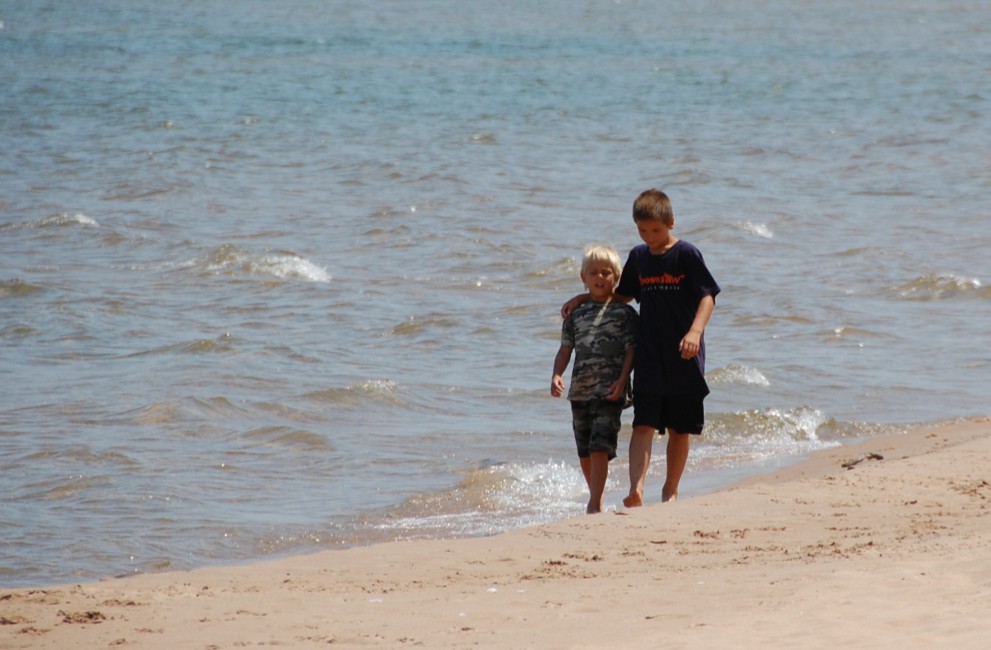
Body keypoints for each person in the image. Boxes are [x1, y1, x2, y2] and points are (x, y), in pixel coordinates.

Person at [562, 189, 720, 506]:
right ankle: (637, 489)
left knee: (679, 428)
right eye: (642, 231)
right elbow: (624, 295)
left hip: (683, 355)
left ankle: (671, 489)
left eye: (656, 231)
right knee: (643, 423)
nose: (649, 237)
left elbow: (707, 296)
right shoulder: (639, 257)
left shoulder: (687, 254)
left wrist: (695, 331)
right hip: (648, 354)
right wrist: (585, 298)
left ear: (671, 223)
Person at [551, 245, 638, 514]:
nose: (600, 278)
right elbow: (566, 348)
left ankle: (593, 503)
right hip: (580, 391)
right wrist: (556, 374)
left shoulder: (624, 314)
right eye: (594, 273)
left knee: (600, 444)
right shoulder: (575, 314)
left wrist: (623, 381)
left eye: (606, 273)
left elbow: (631, 351)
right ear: (583, 277)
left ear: (617, 277)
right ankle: (596, 498)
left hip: (609, 390)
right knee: (584, 449)